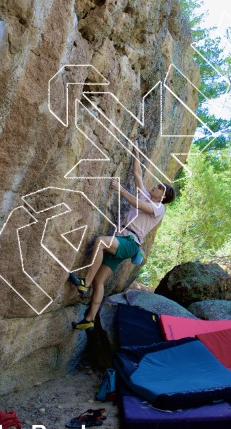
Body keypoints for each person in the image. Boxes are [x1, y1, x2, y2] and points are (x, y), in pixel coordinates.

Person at [69, 141, 176, 330]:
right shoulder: (145, 195)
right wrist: (135, 151)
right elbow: (137, 175)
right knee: (99, 281)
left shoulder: (159, 208)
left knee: (100, 242)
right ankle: (90, 319)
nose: (155, 186)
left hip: (130, 242)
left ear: (163, 195)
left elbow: (140, 206)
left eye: (159, 187)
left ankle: (84, 282)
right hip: (122, 239)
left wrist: (120, 190)